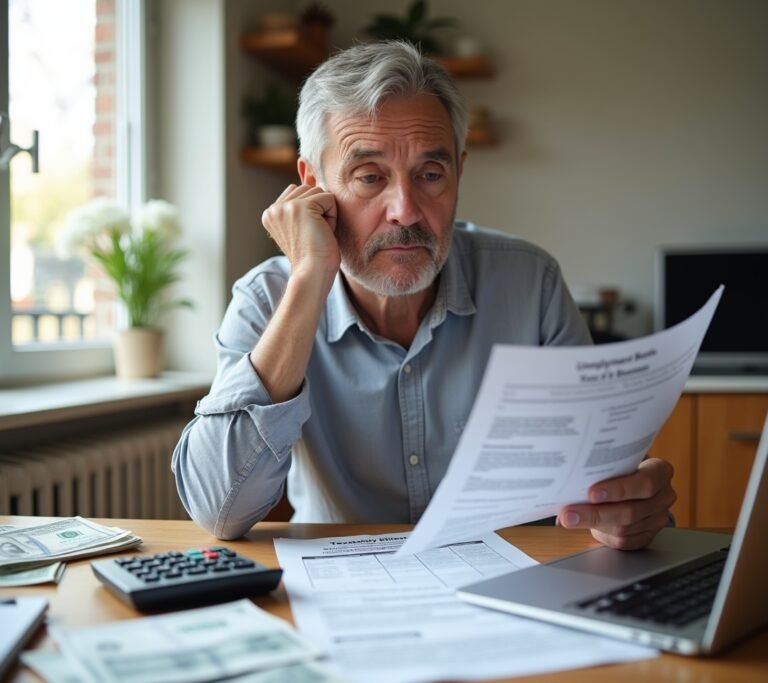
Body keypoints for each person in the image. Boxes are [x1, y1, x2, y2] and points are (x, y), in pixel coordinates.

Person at [172, 41, 675, 550]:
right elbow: (220, 510)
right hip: (347, 588)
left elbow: (601, 479)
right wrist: (308, 280)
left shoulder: (530, 283)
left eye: (430, 175)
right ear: (311, 183)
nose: (406, 211)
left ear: (459, 171)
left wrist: (627, 510)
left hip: (518, 581)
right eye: (369, 177)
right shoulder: (267, 299)